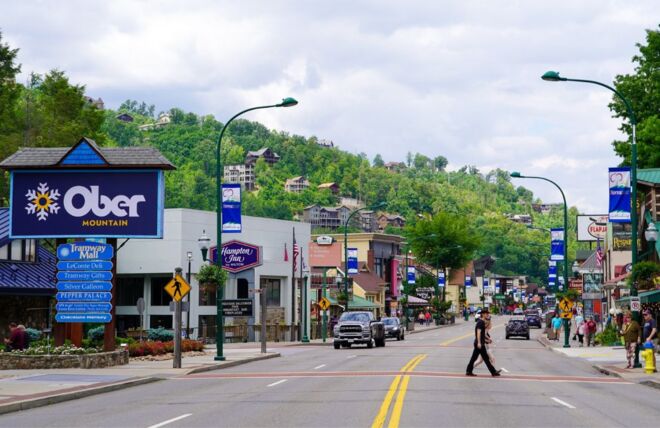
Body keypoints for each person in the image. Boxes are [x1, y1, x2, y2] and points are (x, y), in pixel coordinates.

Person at [466, 307, 501, 377]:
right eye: (486, 313)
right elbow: (478, 332)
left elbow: (483, 334)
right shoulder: (480, 322)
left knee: (477, 358)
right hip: (479, 344)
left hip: (480, 343)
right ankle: (493, 372)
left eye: (487, 313)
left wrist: (488, 339)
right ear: (483, 314)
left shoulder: (482, 322)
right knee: (483, 359)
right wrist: (479, 342)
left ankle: (469, 371)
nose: (487, 315)